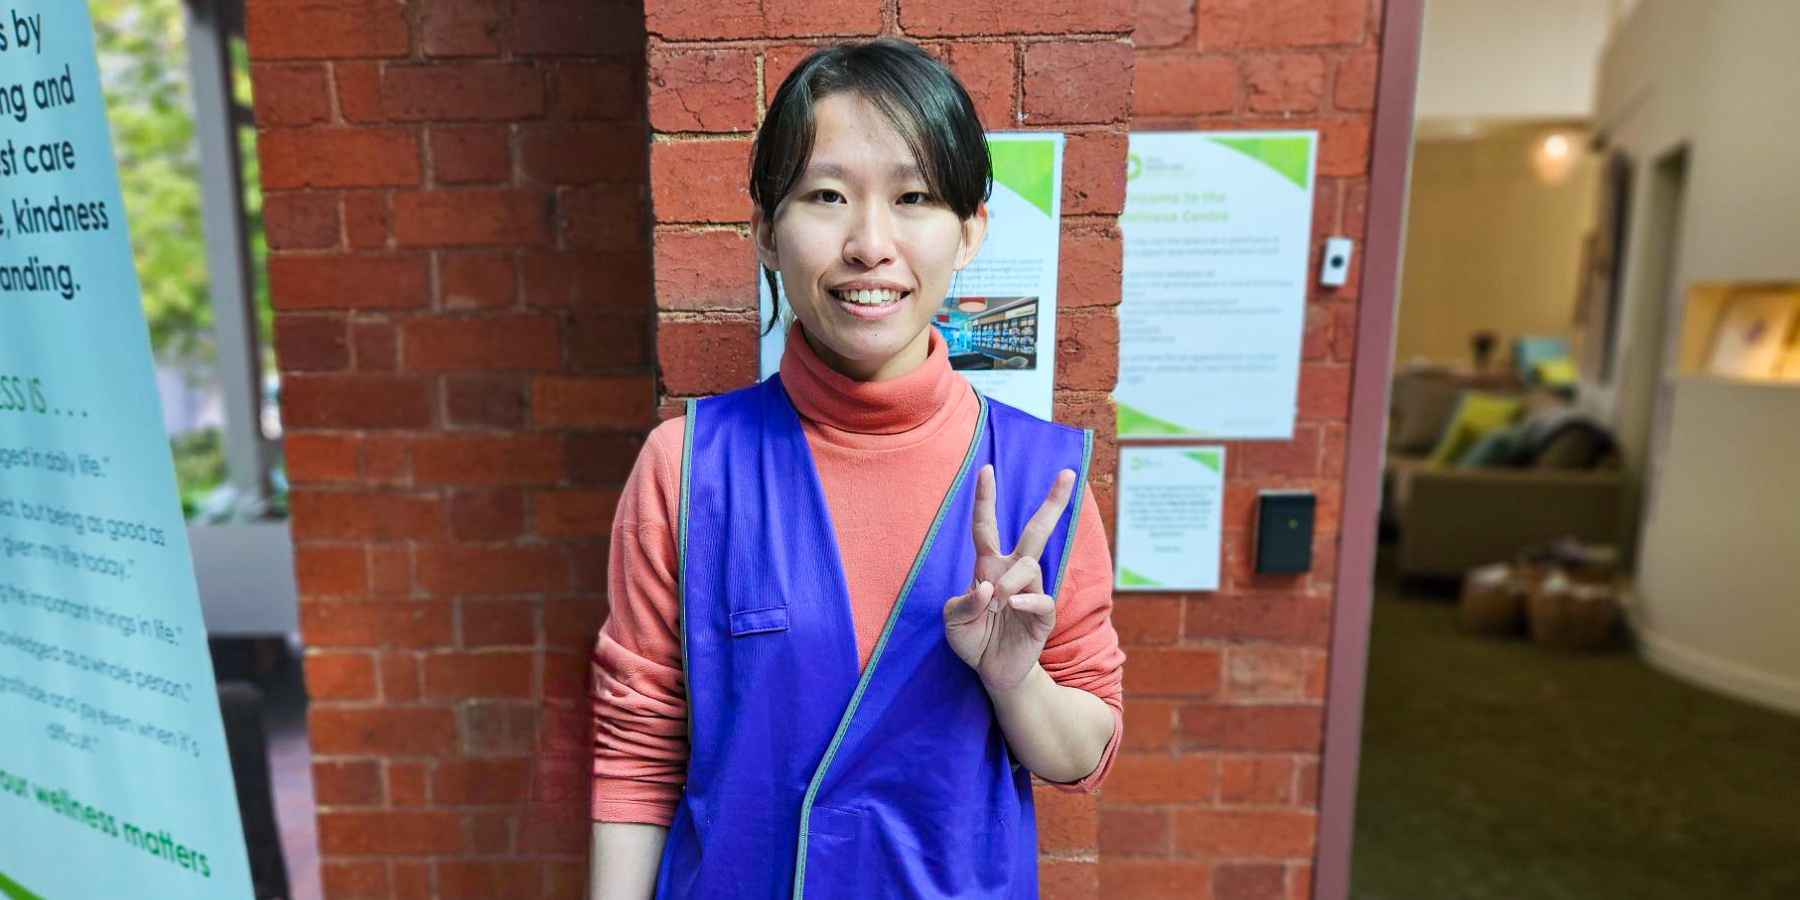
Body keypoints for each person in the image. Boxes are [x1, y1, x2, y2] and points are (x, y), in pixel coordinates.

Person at [589, 37, 1125, 900]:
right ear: (766, 232)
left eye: (913, 198)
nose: (870, 244)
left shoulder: (1041, 483)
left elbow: (1081, 756)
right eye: (826, 196)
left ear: (970, 231)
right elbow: (638, 748)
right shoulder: (688, 470)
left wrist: (1014, 678)